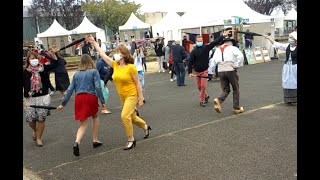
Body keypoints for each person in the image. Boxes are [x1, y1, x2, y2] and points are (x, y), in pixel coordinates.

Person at [86, 35, 152, 150]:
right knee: (132, 117)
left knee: (124, 116)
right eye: (116, 51)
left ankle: (131, 139)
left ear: (124, 54)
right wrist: (94, 42)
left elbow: (137, 83)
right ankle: (146, 126)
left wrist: (140, 98)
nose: (116, 53)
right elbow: (102, 54)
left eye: (118, 52)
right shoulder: (115, 65)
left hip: (132, 95)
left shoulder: (131, 67)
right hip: (122, 96)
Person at [57, 54, 106, 156]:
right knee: (95, 117)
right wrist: (102, 101)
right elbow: (98, 87)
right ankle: (95, 140)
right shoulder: (94, 71)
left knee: (83, 124)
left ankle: (77, 142)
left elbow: (70, 90)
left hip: (79, 98)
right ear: (90, 61)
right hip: (90, 96)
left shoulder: (76, 74)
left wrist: (63, 104)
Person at [23, 50, 58, 147]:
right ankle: (35, 130)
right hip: (30, 99)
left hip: (43, 97)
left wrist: (52, 55)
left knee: (41, 118)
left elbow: (55, 64)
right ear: (28, 60)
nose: (33, 60)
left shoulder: (43, 69)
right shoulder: (25, 72)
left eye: (35, 58)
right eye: (31, 58)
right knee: (31, 120)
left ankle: (38, 138)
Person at [188, 30, 230, 107]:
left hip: (204, 71)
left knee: (203, 86)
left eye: (201, 41)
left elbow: (214, 42)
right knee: (199, 87)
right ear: (195, 41)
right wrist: (190, 72)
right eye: (198, 41)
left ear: (202, 41)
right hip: (197, 72)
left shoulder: (206, 48)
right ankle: (206, 96)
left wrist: (222, 36)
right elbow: (190, 62)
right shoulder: (193, 51)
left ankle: (202, 100)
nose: (200, 42)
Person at [210, 36, 244, 113]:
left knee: (225, 89)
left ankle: (218, 100)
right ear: (230, 42)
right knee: (235, 89)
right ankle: (236, 108)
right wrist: (237, 65)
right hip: (230, 69)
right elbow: (240, 56)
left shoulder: (217, 49)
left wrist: (213, 72)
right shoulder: (233, 48)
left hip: (220, 70)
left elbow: (213, 62)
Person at [263, 31, 297, 105]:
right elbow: (278, 45)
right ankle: (288, 99)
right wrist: (270, 39)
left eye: (291, 38)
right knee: (287, 82)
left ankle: (294, 99)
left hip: (295, 67)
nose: (289, 39)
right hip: (287, 67)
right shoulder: (287, 46)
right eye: (289, 37)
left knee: (294, 82)